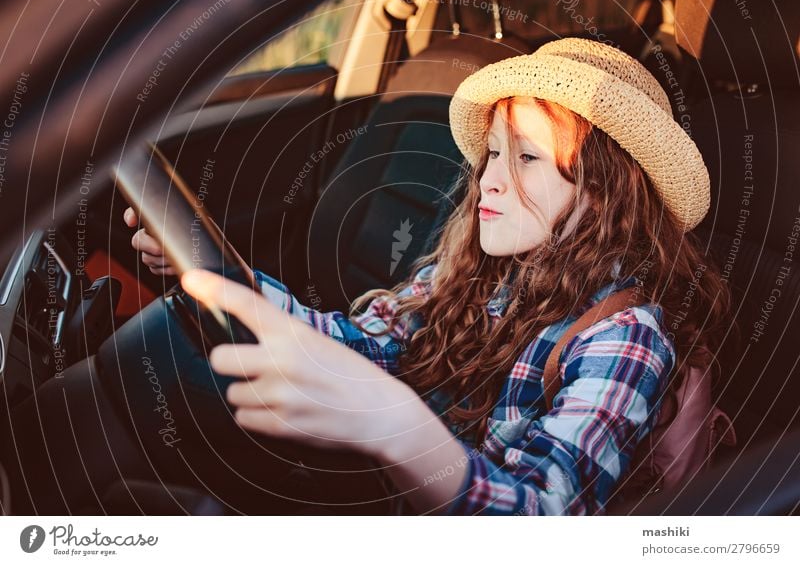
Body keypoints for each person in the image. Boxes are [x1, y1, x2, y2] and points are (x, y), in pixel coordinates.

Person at [28, 38, 732, 516]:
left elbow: (540, 516)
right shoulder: (481, 271)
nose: (486, 180)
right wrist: (229, 284)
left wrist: (394, 424)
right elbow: (364, 338)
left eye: (527, 159)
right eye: (490, 154)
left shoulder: (626, 339)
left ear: (603, 194)